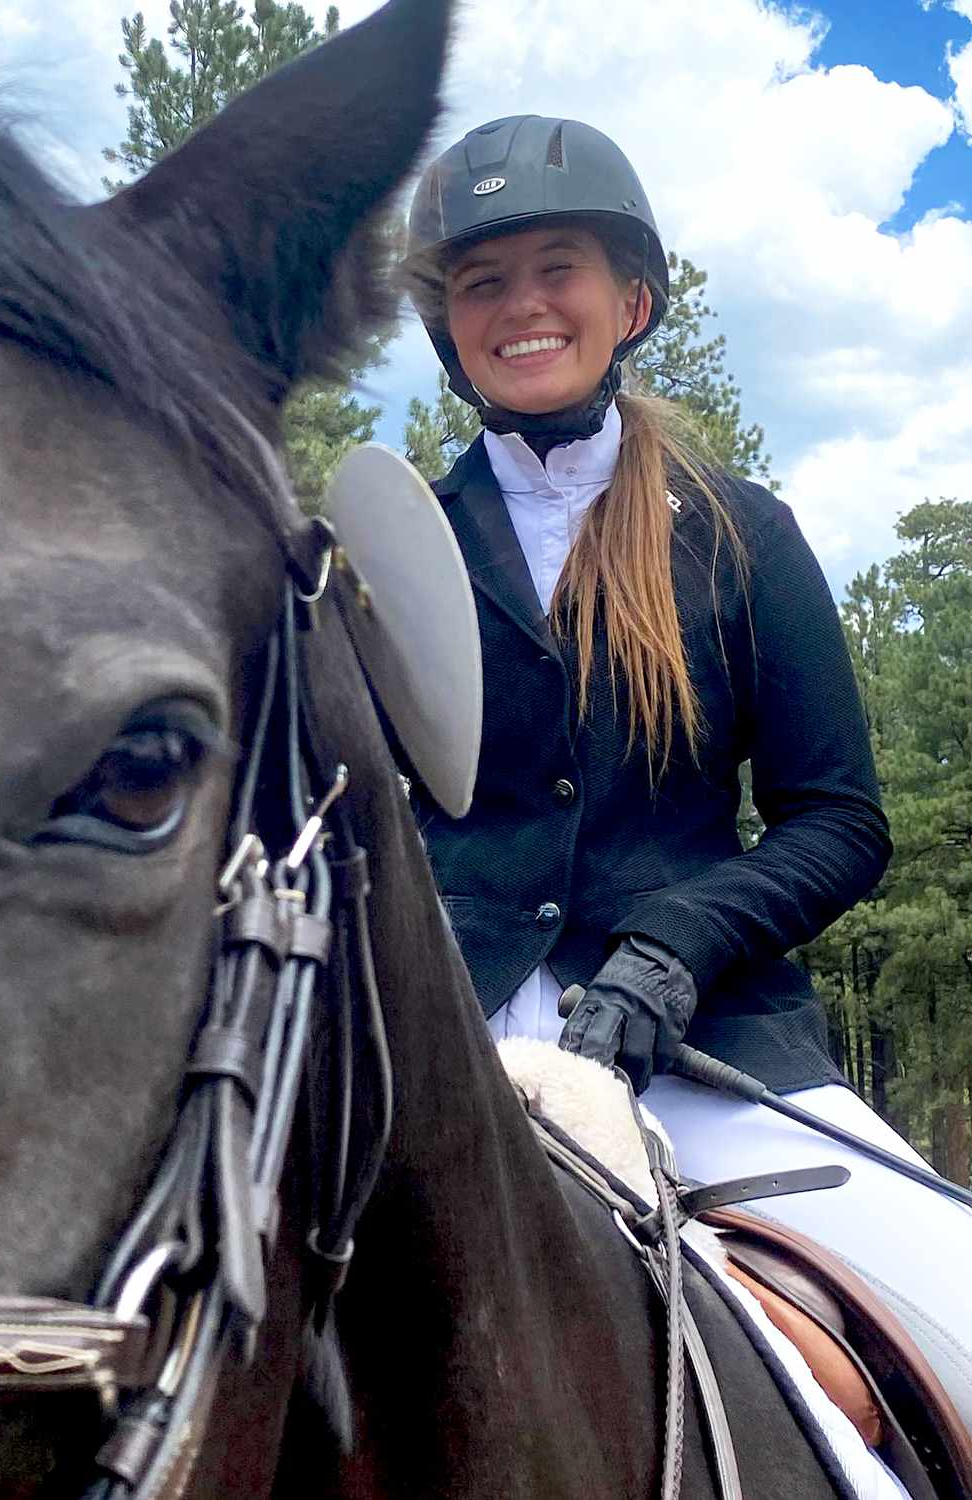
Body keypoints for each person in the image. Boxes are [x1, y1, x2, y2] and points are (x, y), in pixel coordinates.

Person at [400, 114, 972, 1423]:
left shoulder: (741, 532)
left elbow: (838, 821)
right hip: (445, 1054)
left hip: (706, 1050)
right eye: (483, 282)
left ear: (632, 301)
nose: (522, 305)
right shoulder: (397, 548)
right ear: (451, 332)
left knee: (958, 1312)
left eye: (558, 267)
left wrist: (672, 945)